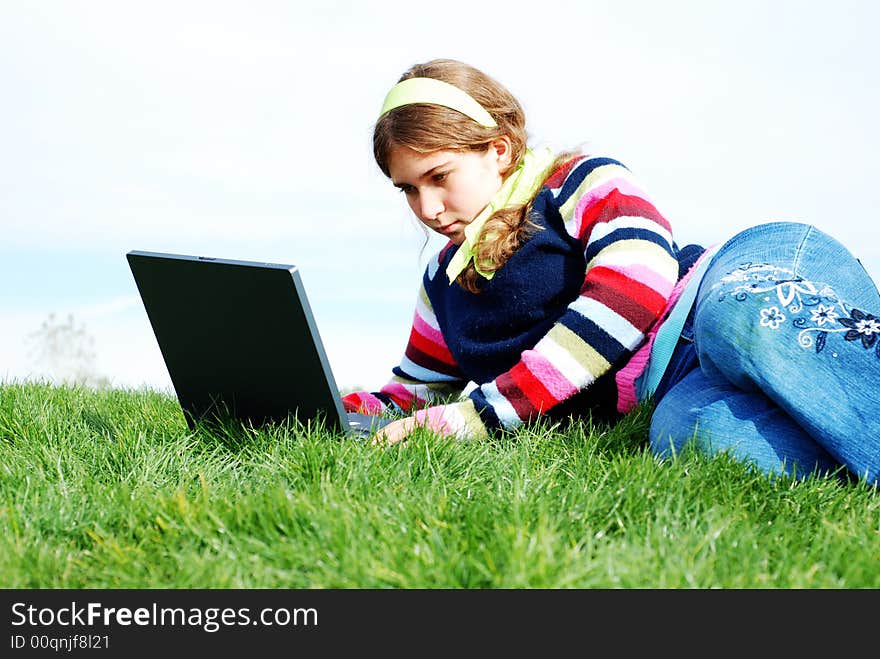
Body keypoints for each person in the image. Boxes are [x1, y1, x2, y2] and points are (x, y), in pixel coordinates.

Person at [342, 57, 880, 486]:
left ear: (498, 151)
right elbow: (417, 393)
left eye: (439, 176)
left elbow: (633, 290)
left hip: (736, 281)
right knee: (696, 437)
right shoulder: (444, 283)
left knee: (737, 318)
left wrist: (483, 415)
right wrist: (320, 408)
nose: (428, 208)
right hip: (671, 384)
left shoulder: (584, 184)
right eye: (408, 188)